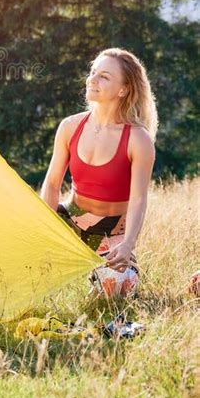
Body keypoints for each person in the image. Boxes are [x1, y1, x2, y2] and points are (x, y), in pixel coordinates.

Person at [40, 47, 157, 296]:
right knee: (18, 254)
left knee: (116, 288)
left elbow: (138, 200)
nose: (92, 79)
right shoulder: (70, 126)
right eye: (93, 72)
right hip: (71, 217)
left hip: (112, 230)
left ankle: (102, 271)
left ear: (123, 90)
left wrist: (127, 245)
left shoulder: (138, 139)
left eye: (104, 76)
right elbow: (51, 185)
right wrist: (45, 228)